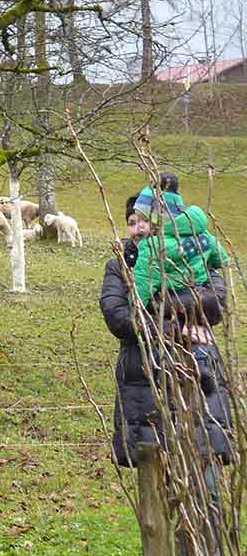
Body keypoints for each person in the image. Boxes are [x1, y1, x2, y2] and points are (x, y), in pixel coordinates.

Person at [101, 192, 232, 552]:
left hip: (199, 396)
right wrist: (178, 325)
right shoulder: (119, 266)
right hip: (147, 391)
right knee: (155, 509)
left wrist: (155, 306)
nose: (139, 228)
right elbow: (119, 319)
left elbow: (216, 304)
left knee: (205, 503)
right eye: (132, 222)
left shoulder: (196, 257)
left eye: (146, 221)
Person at [130, 173, 226, 307]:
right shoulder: (203, 234)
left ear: (159, 219)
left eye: (145, 219)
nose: (140, 225)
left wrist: (134, 306)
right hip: (200, 291)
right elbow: (221, 258)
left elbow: (145, 282)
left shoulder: (154, 245)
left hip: (174, 298)